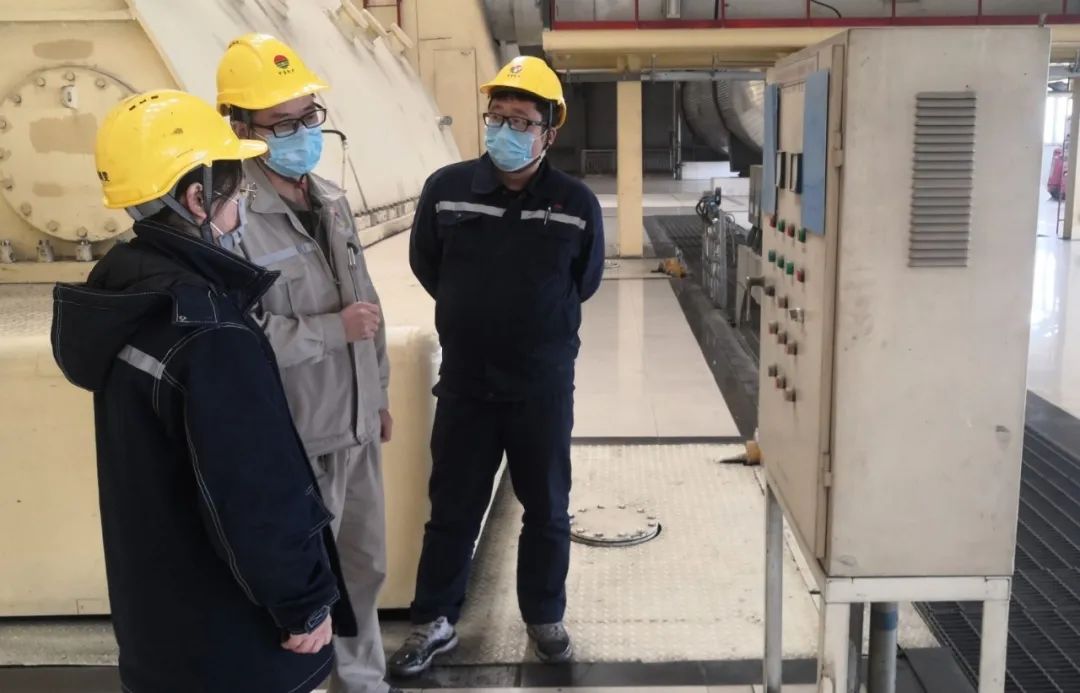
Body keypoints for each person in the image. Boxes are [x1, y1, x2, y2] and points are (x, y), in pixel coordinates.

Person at [50, 89, 357, 693]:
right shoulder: (211, 332)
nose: (241, 206)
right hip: (233, 645)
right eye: (236, 192)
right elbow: (253, 493)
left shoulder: (126, 300)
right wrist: (303, 603)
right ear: (198, 198)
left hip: (162, 629)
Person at [390, 55, 605, 676]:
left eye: (521, 121)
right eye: (497, 117)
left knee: (547, 508)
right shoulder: (447, 189)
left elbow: (584, 281)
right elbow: (427, 265)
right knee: (453, 507)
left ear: (549, 132)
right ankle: (434, 620)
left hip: (541, 386)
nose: (505, 130)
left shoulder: (575, 203)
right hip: (467, 383)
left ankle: (544, 616)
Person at [216, 34, 392, 693]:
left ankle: (363, 682)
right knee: (305, 593)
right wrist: (329, 331)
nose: (302, 134)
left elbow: (368, 305)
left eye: (308, 117)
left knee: (364, 567)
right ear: (240, 127)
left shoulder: (331, 200)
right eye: (282, 123)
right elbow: (239, 337)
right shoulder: (232, 221)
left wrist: (379, 395)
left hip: (356, 427)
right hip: (298, 439)